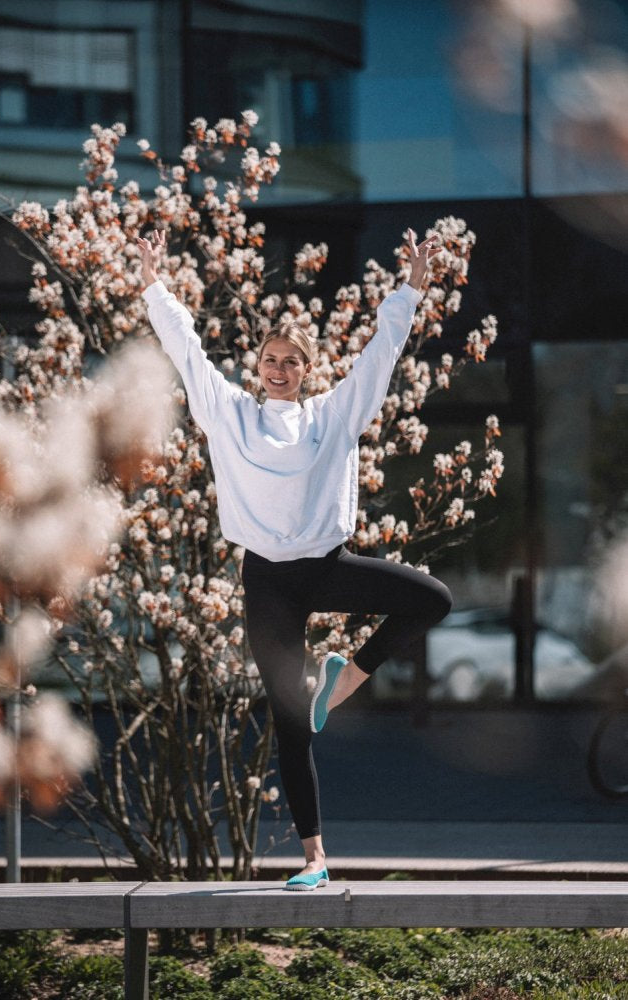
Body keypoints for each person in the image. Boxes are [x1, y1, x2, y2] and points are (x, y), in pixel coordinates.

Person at [138, 227, 452, 891]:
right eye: (269, 358)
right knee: (289, 725)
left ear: (305, 369)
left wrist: (411, 288)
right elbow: (186, 351)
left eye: (290, 360)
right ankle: (314, 859)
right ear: (258, 364)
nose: (278, 367)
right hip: (267, 585)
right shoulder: (225, 414)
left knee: (431, 599)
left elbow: (378, 358)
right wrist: (152, 283)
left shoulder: (332, 415)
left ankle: (343, 679)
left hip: (324, 566)